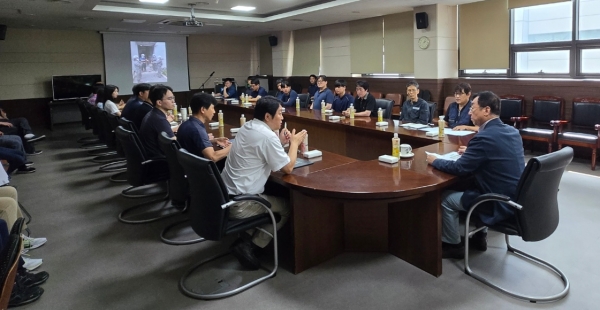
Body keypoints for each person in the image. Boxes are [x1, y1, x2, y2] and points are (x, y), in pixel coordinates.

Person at [426, 91, 525, 259]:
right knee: (474, 184)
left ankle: (453, 245)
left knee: (446, 199)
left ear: (486, 110)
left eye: (473, 108)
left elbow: (459, 168)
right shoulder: (511, 131)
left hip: (498, 201)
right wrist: (472, 153)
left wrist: (434, 160)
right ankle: (480, 237)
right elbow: (494, 156)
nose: (470, 112)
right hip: (516, 196)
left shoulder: (484, 137)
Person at [221, 96, 307, 270]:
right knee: (286, 207)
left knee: (274, 194)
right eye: (280, 114)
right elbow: (288, 167)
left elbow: (261, 150)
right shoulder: (267, 136)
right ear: (268, 117)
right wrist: (294, 144)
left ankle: (245, 238)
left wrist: (280, 143)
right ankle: (251, 246)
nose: (282, 118)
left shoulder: (248, 126)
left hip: (224, 196)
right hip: (242, 203)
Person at [177, 93, 231, 164]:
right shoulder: (197, 129)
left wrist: (213, 140)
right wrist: (233, 147)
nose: (214, 111)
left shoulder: (186, 124)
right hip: (199, 170)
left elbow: (193, 143)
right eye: (212, 108)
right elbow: (213, 157)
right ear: (203, 109)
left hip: (187, 167)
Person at [139, 85, 176, 159]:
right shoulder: (159, 119)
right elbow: (174, 143)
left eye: (173, 98)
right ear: (159, 102)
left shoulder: (154, 113)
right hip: (160, 160)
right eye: (170, 98)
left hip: (153, 155)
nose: (173, 101)